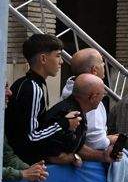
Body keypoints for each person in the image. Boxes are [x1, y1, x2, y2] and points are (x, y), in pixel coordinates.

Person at [5, 33, 84, 166]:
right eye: (58, 55)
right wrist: (64, 123)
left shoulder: (30, 84)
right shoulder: (33, 88)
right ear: (43, 58)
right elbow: (31, 137)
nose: (61, 61)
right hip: (23, 164)